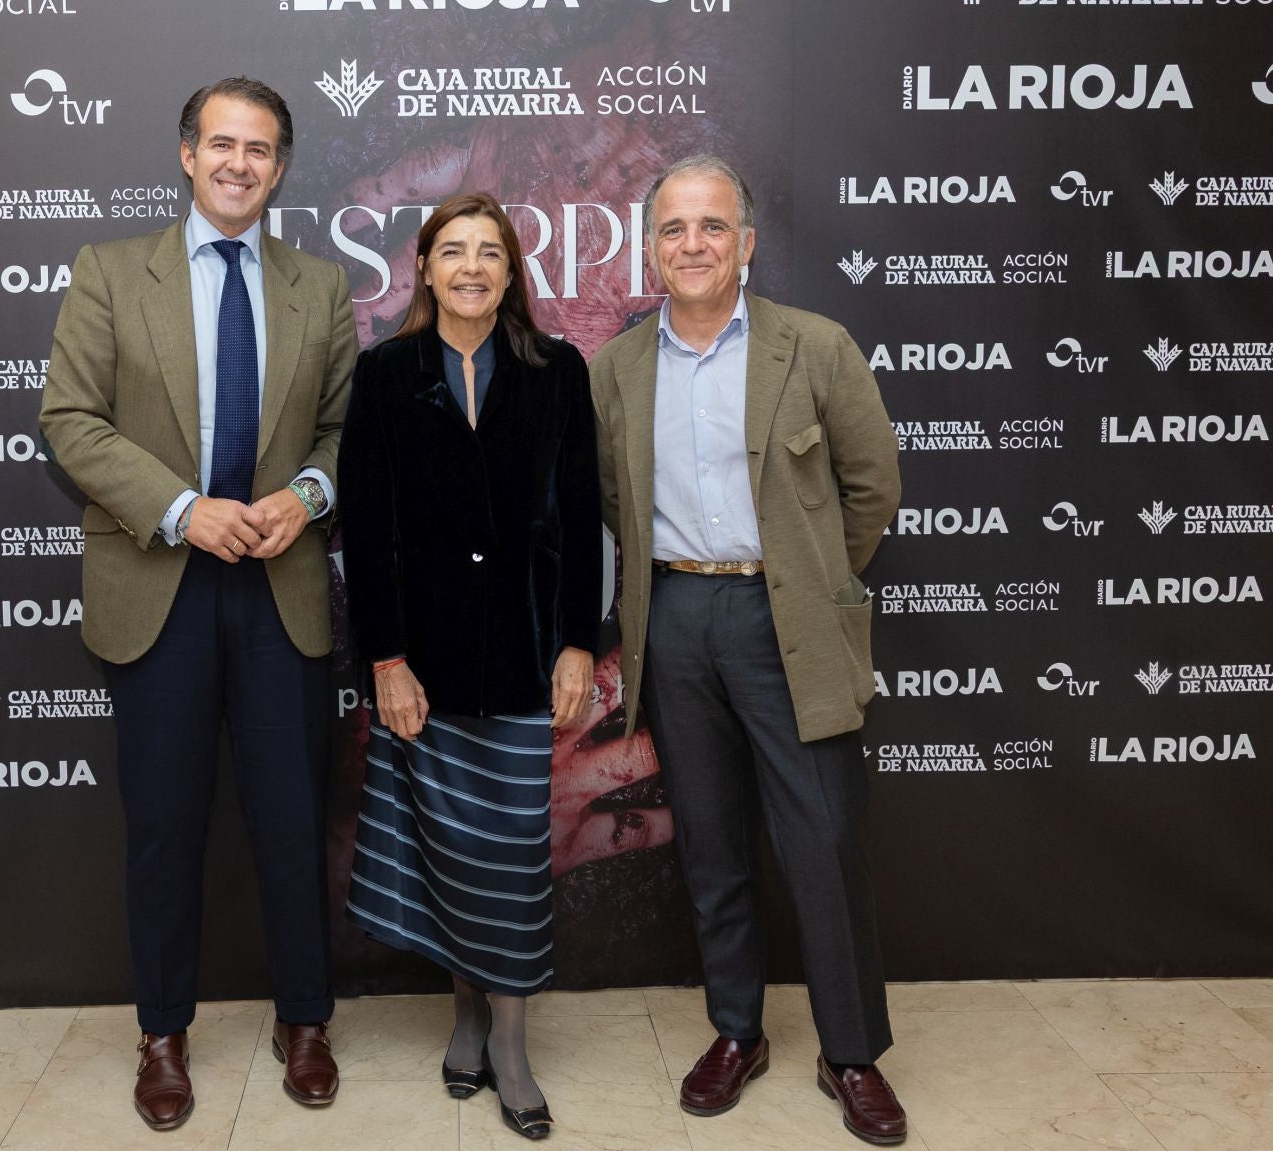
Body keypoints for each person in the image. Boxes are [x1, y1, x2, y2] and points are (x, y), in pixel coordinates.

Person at [39, 77, 357, 1132]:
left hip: (282, 590)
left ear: (280, 167)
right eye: (220, 143)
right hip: (156, 588)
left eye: (259, 149)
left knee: (292, 821)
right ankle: (163, 1031)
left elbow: (346, 437)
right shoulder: (108, 274)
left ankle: (304, 1019)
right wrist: (183, 509)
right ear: (186, 154)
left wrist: (305, 496)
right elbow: (72, 420)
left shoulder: (322, 288)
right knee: (163, 828)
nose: (238, 163)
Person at [588, 155, 908, 1146]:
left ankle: (849, 1051)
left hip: (785, 621)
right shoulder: (615, 368)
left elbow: (873, 489)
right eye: (674, 228)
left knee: (821, 837)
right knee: (716, 844)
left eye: (713, 226)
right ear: (650, 249)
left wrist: (804, 584)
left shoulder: (815, 347)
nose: (693, 244)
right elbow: (610, 501)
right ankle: (738, 1030)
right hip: (674, 619)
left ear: (747, 243)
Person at [339, 192, 601, 1142]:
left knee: (511, 857)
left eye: (491, 252)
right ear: (425, 267)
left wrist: (579, 640)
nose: (473, 267)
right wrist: (387, 659)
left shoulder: (557, 369)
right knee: (447, 849)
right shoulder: (385, 374)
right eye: (454, 251)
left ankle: (513, 1042)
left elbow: (580, 518)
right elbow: (366, 535)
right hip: (428, 665)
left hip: (526, 659)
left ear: (511, 272)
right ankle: (463, 1017)